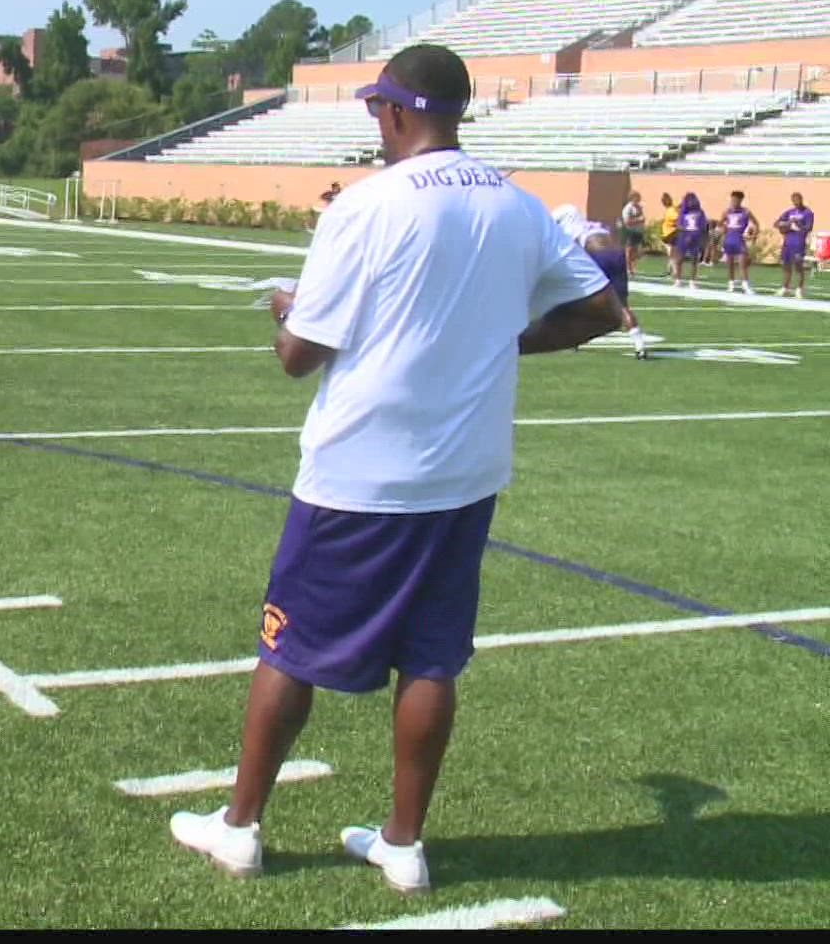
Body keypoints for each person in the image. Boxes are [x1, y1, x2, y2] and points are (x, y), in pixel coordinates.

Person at [168, 44, 621, 894]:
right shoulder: (516, 205)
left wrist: (288, 312)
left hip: (361, 473)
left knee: (290, 648)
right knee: (433, 658)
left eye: (377, 109)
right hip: (465, 472)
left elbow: (299, 356)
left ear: (399, 110)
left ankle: (240, 827)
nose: (374, 123)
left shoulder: (368, 206)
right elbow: (603, 309)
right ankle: (404, 844)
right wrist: (506, 339)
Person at [555, 205, 649, 359]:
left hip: (599, 257)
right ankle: (640, 346)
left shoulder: (570, 231)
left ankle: (574, 339)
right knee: (623, 305)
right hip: (618, 256)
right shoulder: (594, 225)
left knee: (580, 298)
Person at [718, 191, 759, 296]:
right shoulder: (727, 211)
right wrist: (723, 229)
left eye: (736, 200)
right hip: (729, 239)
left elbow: (756, 224)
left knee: (742, 263)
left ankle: (745, 285)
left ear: (741, 200)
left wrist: (754, 235)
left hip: (739, 239)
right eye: (732, 200)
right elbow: (720, 223)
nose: (733, 202)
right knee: (730, 263)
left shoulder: (746, 212)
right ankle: (731, 284)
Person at [775, 192, 814, 298]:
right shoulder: (789, 212)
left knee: (798, 265)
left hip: (799, 242)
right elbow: (776, 223)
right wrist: (786, 225)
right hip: (788, 242)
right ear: (792, 201)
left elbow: (809, 228)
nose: (796, 202)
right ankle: (785, 287)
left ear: (802, 199)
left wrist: (798, 224)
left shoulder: (808, 212)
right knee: (786, 265)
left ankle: (799, 289)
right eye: (794, 200)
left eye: (798, 200)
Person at [672, 193, 707, 290]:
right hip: (684, 237)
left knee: (694, 260)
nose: (691, 202)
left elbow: (703, 226)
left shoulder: (700, 212)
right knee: (679, 259)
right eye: (689, 200)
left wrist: (700, 238)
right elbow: (679, 225)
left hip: (695, 237)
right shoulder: (683, 212)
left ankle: (693, 281)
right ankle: (678, 280)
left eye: (692, 200)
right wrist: (686, 233)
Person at [618, 190, 647, 274]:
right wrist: (639, 220)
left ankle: (633, 267)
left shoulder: (639, 207)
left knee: (638, 251)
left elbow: (642, 218)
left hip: (638, 232)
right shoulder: (628, 208)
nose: (639, 199)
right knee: (629, 251)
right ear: (632, 198)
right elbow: (627, 221)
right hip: (630, 232)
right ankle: (628, 269)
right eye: (637, 197)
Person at [657, 192, 680, 278]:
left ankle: (674, 272)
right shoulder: (671, 209)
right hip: (669, 235)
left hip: (670, 235)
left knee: (672, 255)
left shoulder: (671, 210)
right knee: (672, 254)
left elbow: (677, 218)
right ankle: (670, 271)